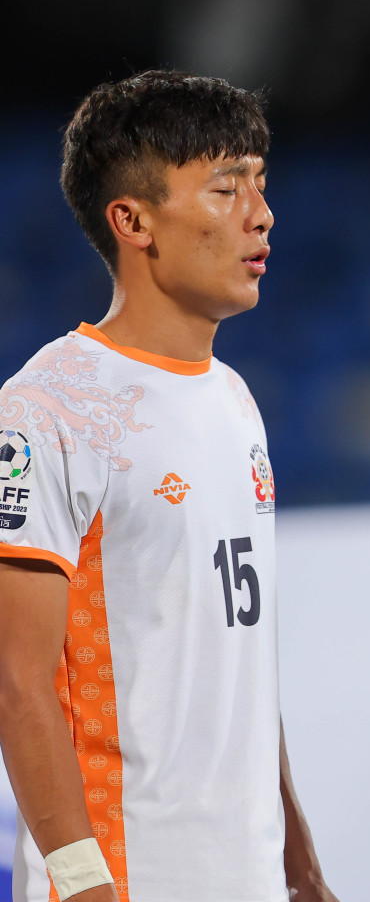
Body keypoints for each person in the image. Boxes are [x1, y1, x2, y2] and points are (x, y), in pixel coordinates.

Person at [0, 72, 336, 902]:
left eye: (261, 184)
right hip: (128, 877)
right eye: (226, 189)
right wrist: (82, 885)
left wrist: (297, 862)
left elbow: (240, 663)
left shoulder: (234, 399)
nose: (260, 215)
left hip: (249, 877)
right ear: (133, 221)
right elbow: (18, 681)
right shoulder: (47, 408)